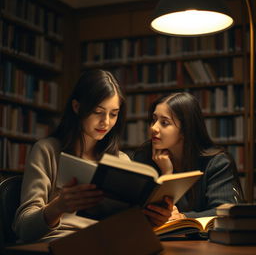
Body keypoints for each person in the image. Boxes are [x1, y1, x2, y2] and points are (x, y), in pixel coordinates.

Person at [13, 69, 172, 243]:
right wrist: (59, 206)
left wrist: (152, 219)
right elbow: (23, 229)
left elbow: (128, 227)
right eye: (98, 112)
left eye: (113, 114)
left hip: (108, 243)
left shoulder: (121, 161)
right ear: (77, 107)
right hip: (62, 243)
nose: (106, 122)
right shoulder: (47, 151)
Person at [134, 92, 244, 221]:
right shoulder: (144, 156)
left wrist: (183, 217)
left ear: (186, 129)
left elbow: (225, 211)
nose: (154, 127)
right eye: (153, 120)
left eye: (164, 123)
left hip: (202, 239)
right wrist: (166, 173)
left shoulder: (217, 162)